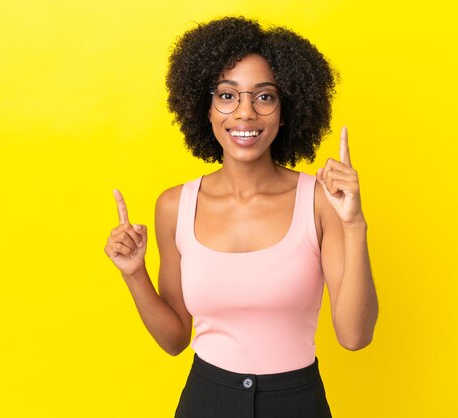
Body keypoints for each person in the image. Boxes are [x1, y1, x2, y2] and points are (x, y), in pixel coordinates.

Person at [104, 16, 378, 418]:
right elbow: (175, 339)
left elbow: (355, 336)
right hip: (206, 399)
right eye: (228, 96)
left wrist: (354, 224)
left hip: (297, 402)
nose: (245, 113)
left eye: (264, 97)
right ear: (207, 109)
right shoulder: (174, 206)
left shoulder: (322, 201)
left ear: (285, 111)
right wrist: (133, 273)